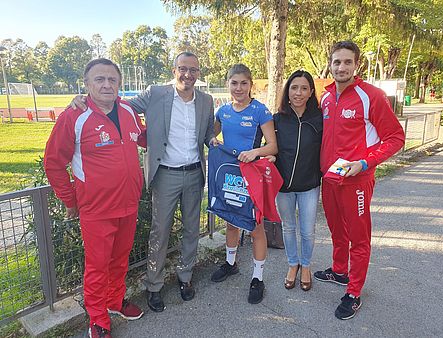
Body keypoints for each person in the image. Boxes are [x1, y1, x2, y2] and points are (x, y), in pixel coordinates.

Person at [70, 52, 215, 313]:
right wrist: (85, 99)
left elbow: (205, 136)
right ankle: (154, 285)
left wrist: (216, 142)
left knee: (192, 229)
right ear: (174, 70)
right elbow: (116, 103)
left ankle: (185, 277)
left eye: (193, 70)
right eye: (183, 69)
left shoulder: (206, 100)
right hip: (166, 174)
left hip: (194, 173)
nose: (188, 75)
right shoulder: (156, 93)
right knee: (160, 232)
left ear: (199, 73)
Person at [44, 58, 145, 338]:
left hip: (128, 203)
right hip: (96, 209)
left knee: (120, 259)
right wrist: (70, 201)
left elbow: (143, 138)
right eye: (99, 79)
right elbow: (53, 162)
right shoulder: (74, 117)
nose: (106, 84)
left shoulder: (128, 111)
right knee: (98, 266)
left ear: (120, 84)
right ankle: (98, 318)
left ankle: (114, 301)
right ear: (87, 85)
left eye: (112, 79)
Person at [314, 41, 405, 320]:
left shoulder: (372, 96)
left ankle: (353, 292)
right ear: (330, 65)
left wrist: (365, 163)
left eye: (347, 62)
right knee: (336, 230)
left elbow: (396, 138)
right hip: (329, 179)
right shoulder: (327, 98)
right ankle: (340, 271)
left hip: (357, 182)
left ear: (357, 65)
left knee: (359, 237)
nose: (341, 67)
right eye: (336, 62)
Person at [210, 63, 277, 304]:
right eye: (234, 83)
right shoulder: (223, 111)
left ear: (251, 85)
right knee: (231, 222)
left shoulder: (260, 110)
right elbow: (213, 134)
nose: (239, 88)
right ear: (228, 84)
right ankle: (231, 264)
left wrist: (255, 152)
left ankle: (258, 278)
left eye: (243, 83)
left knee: (255, 227)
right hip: (230, 175)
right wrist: (213, 140)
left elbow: (273, 145)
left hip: (252, 175)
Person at [271, 70, 323, 292]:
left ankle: (306, 266)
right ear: (287, 91)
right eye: (294, 88)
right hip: (283, 186)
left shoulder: (320, 119)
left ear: (311, 92)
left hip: (309, 185)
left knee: (308, 230)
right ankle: (293, 264)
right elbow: (266, 146)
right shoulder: (277, 119)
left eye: (304, 88)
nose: (298, 93)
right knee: (289, 227)